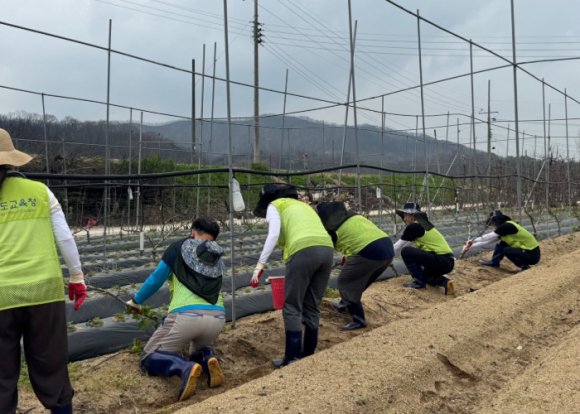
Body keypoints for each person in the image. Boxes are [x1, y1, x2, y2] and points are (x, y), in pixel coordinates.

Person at [0, 129, 86, 414]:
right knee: (52, 366)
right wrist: (77, 278)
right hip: (44, 293)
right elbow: (65, 239)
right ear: (12, 159)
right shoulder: (39, 192)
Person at [125, 218, 226, 401]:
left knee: (148, 356)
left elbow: (156, 279)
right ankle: (208, 358)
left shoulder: (179, 248)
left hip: (187, 316)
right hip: (217, 317)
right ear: (215, 239)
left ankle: (184, 367)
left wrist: (136, 300)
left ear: (193, 233)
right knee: (198, 350)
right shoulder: (215, 256)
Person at [252, 183, 334, 367]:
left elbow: (273, 234)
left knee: (292, 305)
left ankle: (292, 357)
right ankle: (308, 353)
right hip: (327, 249)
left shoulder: (276, 205)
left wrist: (260, 264)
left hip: (303, 249)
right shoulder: (303, 206)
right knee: (312, 304)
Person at [316, 202, 394, 330]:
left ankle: (358, 320)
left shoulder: (331, 229)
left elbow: (325, 251)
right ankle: (345, 304)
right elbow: (357, 237)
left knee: (345, 282)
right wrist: (347, 257)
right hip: (387, 248)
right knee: (359, 281)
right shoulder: (355, 217)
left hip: (368, 251)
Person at [393, 202, 455, 295]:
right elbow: (405, 245)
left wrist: (382, 257)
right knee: (426, 277)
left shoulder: (414, 227)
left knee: (406, 251)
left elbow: (398, 247)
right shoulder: (423, 225)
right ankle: (446, 283)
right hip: (448, 262)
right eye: (403, 216)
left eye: (406, 215)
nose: (404, 219)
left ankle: (419, 283)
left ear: (413, 215)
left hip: (441, 260)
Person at [462, 210, 540, 271]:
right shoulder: (504, 229)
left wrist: (472, 240)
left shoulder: (507, 226)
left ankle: (524, 266)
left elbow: (488, 237)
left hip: (532, 254)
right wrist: (471, 246)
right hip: (527, 253)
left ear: (496, 221)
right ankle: (494, 262)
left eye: (492, 223)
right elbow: (489, 241)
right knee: (502, 244)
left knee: (507, 250)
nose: (492, 226)